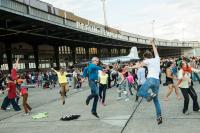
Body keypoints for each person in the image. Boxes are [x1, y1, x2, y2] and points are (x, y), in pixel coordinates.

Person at [137, 39, 162, 125]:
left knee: (140, 92)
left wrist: (129, 68)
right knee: (156, 100)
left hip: (150, 79)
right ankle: (159, 117)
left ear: (145, 57)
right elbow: (155, 51)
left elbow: (139, 65)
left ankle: (149, 95)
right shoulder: (157, 59)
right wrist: (152, 44)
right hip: (157, 81)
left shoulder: (147, 61)